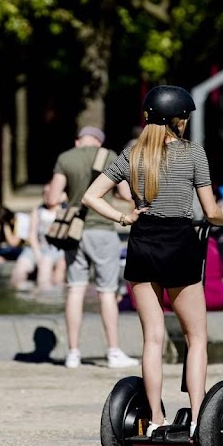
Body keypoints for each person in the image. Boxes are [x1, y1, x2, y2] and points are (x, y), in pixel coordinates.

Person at [82, 85, 223, 438]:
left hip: (142, 244)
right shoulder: (193, 154)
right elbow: (211, 212)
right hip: (179, 245)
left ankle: (155, 419)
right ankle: (199, 419)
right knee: (195, 337)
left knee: (152, 339)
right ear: (177, 120)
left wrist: (124, 218)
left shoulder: (132, 154)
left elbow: (91, 197)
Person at [46, 125, 138, 369]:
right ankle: (113, 351)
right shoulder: (109, 156)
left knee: (75, 289)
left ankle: (73, 353)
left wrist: (72, 197)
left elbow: (52, 199)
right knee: (107, 291)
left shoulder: (65, 158)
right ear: (99, 141)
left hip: (74, 233)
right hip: (103, 230)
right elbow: (126, 194)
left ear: (78, 141)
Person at [10, 182, 66, 293]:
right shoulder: (38, 210)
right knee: (20, 268)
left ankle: (44, 297)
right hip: (38, 247)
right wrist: (37, 253)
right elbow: (32, 235)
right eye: (44, 193)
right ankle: (21, 294)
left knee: (45, 265)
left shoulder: (64, 211)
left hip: (55, 248)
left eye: (49, 192)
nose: (46, 195)